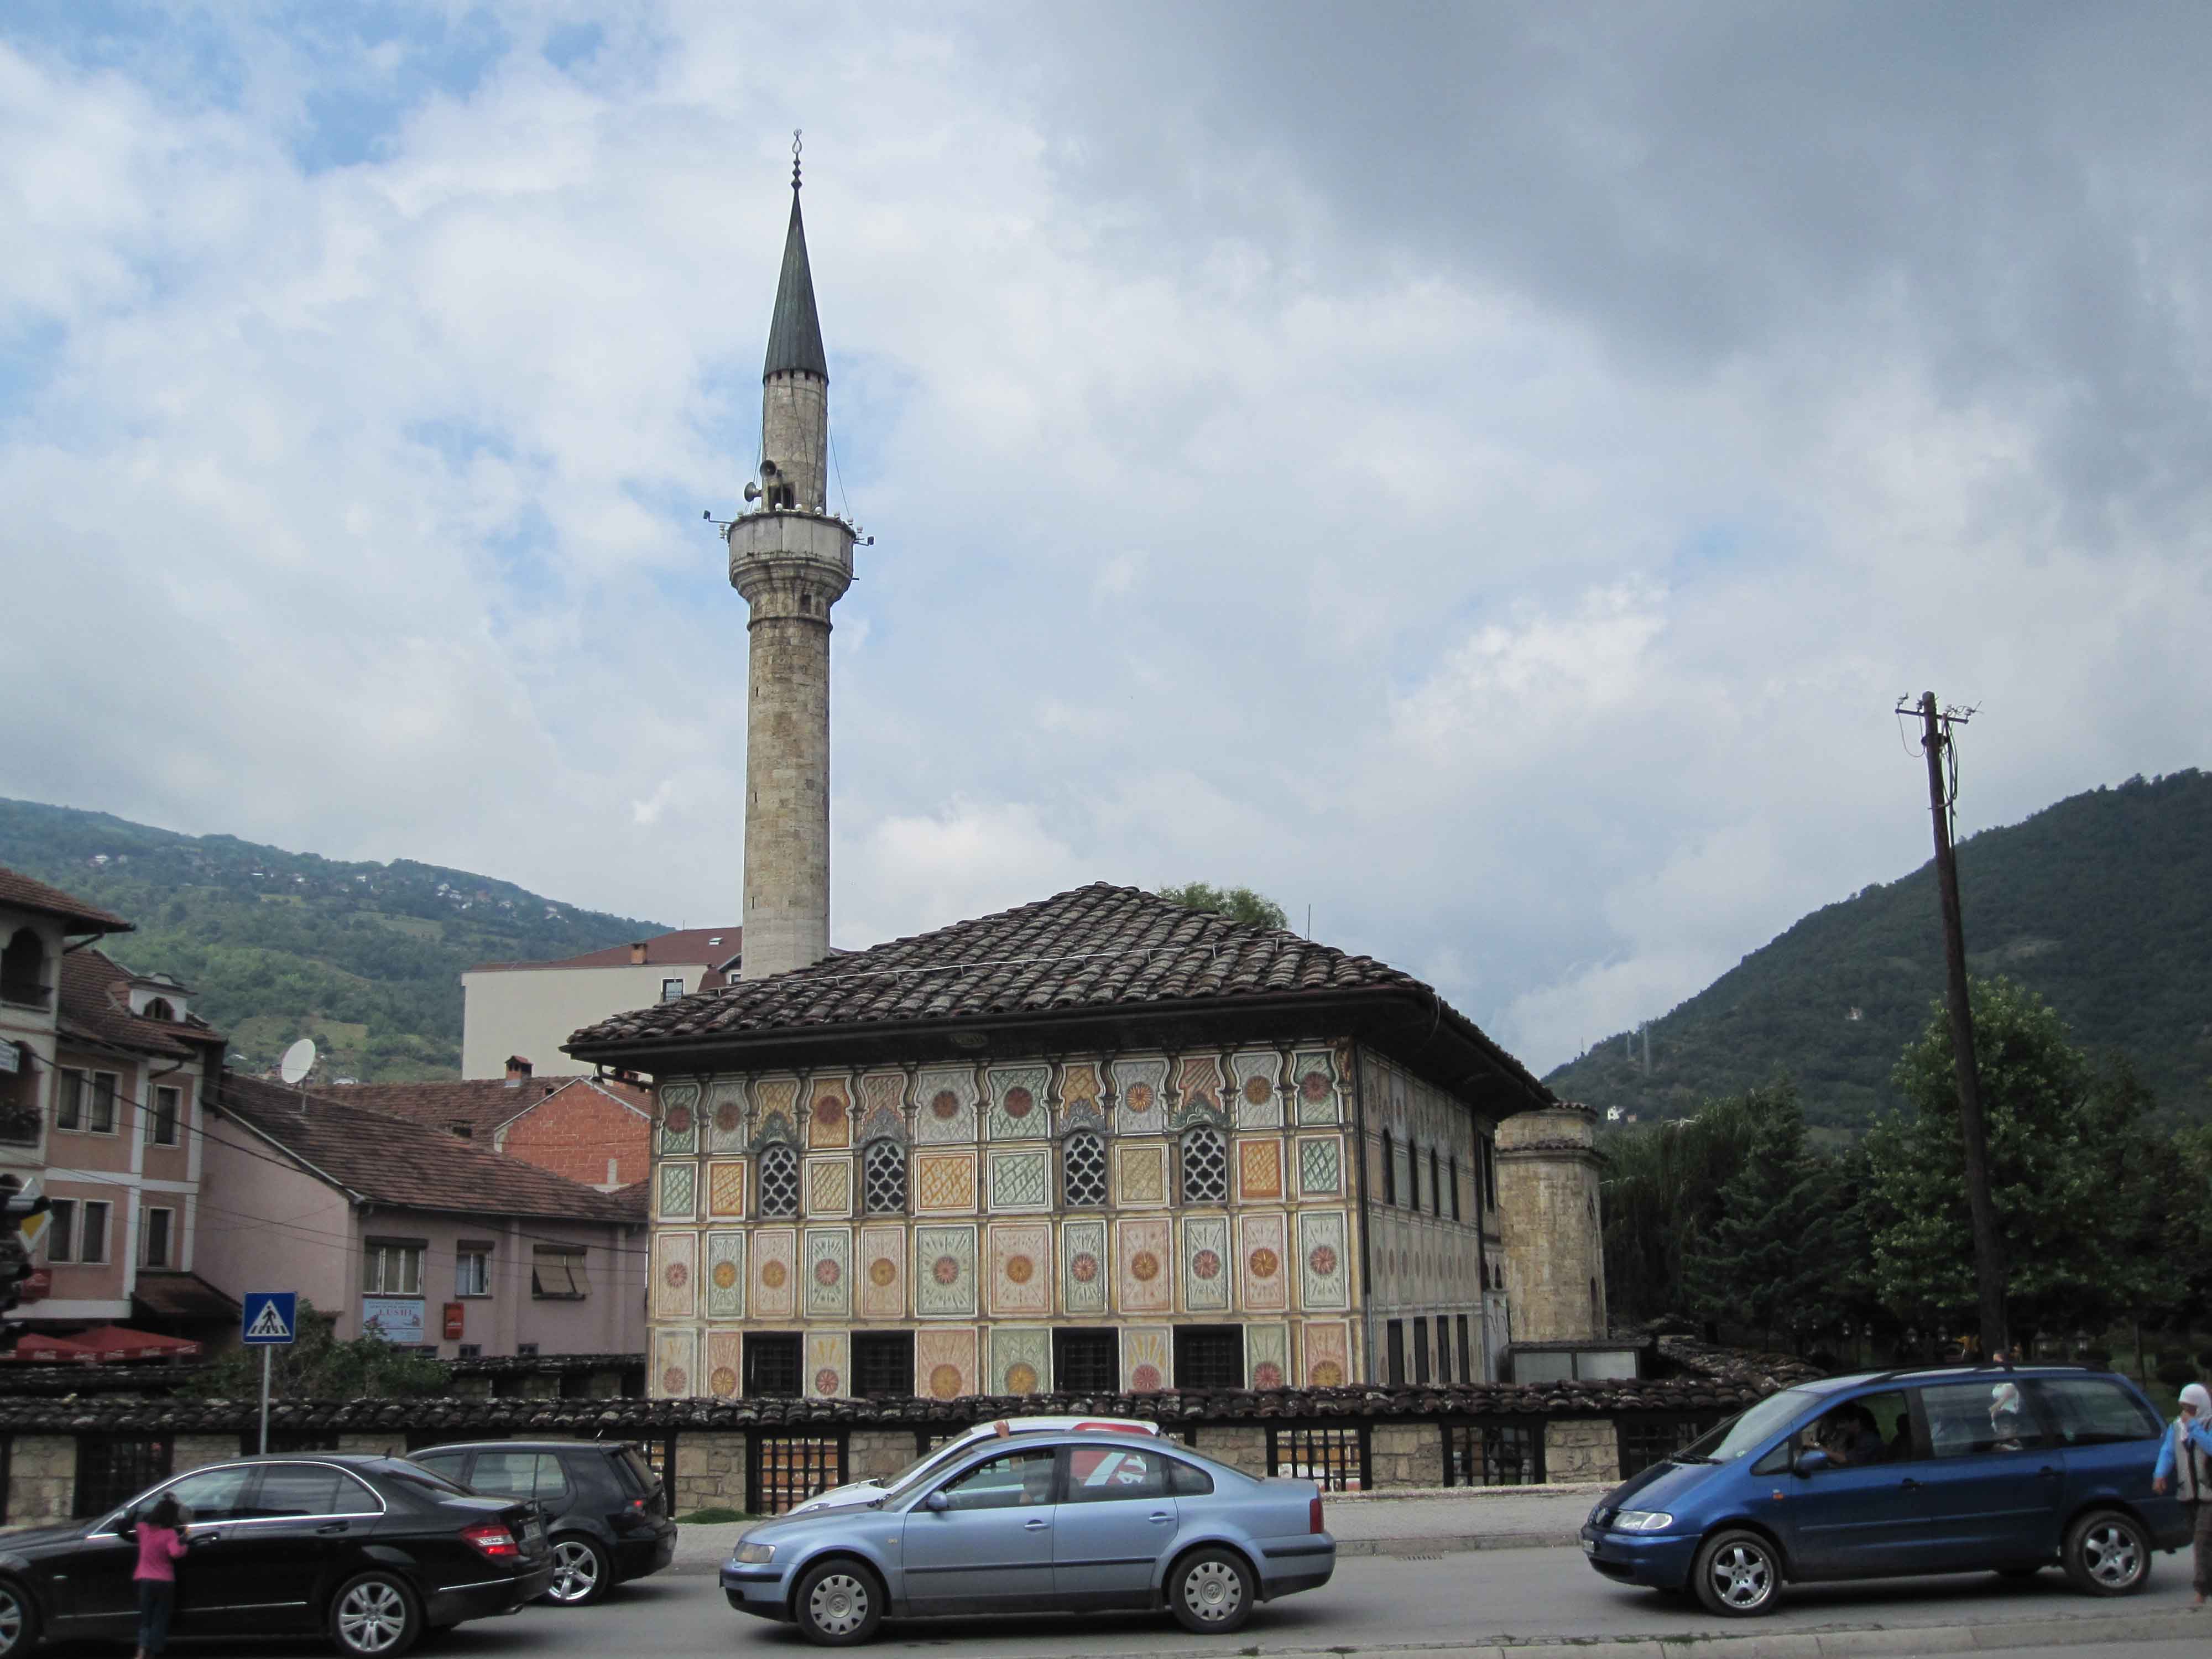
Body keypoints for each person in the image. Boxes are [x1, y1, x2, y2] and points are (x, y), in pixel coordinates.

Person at [2153, 1381, 2212, 1608]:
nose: (2186, 1413)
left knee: (2202, 1540)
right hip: (2188, 1493)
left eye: (2191, 1408)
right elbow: (2168, 1452)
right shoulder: (2177, 1428)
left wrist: (2195, 1428)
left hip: (2209, 1493)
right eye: (2183, 1407)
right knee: (2206, 1544)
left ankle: (2200, 1591)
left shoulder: (2206, 1424)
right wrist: (2160, 1475)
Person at [121, 1491, 189, 1659]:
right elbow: (175, 1553)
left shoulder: (143, 1529)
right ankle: (154, 1652)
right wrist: (185, 1540)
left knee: (146, 1618)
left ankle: (141, 1650)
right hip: (165, 1581)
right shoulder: (170, 1534)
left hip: (145, 1579)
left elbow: (126, 1527)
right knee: (160, 1618)